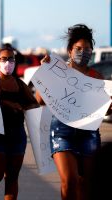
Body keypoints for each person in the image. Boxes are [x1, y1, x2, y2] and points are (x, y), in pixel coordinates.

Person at [36, 24, 108, 200]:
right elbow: (39, 99)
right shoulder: (58, 71)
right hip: (62, 132)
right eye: (78, 48)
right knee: (69, 182)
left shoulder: (96, 77)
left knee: (85, 185)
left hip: (88, 134)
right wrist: (44, 72)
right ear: (69, 51)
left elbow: (104, 108)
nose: (83, 52)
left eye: (87, 49)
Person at [0, 47, 39, 200]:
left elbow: (34, 105)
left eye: (11, 59)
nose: (8, 63)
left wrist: (24, 107)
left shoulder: (20, 84)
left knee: (12, 177)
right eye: (4, 59)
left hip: (17, 134)